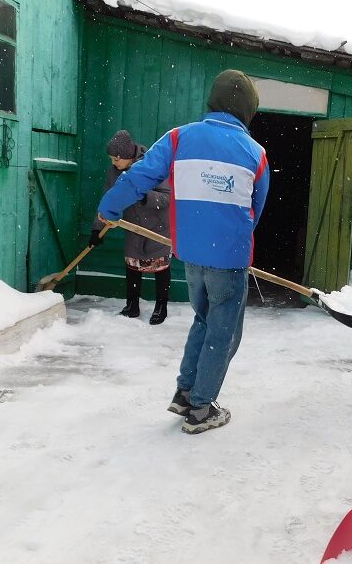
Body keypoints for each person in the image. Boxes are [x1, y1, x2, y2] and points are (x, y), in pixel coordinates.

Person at [97, 70, 269, 435]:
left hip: (190, 253)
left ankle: (185, 392)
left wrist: (109, 209)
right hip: (230, 256)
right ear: (248, 111)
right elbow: (257, 208)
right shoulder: (256, 154)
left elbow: (139, 176)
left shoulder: (178, 138)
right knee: (223, 332)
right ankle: (202, 408)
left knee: (203, 319)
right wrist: (229, 239)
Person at [90, 130, 174, 325]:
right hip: (133, 226)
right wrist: (97, 229)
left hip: (157, 228)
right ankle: (132, 306)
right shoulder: (113, 173)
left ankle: (161, 307)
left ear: (126, 157)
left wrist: (146, 196)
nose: (113, 163)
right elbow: (108, 201)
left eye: (115, 160)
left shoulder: (152, 166)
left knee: (161, 269)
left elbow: (168, 198)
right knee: (133, 267)